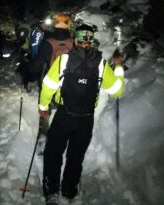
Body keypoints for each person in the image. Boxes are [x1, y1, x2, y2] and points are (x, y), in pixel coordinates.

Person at [38, 24, 125, 205]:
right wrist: (118, 67)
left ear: (76, 40)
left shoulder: (63, 60)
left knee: (54, 152)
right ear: (91, 40)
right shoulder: (101, 64)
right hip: (86, 119)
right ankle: (69, 190)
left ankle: (52, 191)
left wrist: (43, 106)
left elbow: (48, 85)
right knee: (75, 156)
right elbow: (117, 91)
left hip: (64, 116)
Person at [29, 12, 74, 87]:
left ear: (55, 23)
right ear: (68, 24)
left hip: (52, 78)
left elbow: (38, 63)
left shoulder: (48, 41)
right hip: (69, 79)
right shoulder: (73, 42)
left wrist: (31, 70)